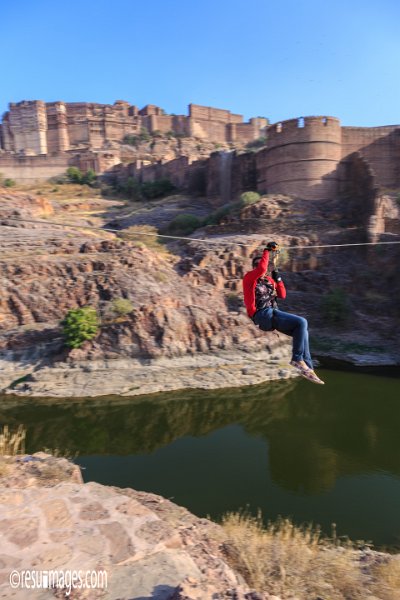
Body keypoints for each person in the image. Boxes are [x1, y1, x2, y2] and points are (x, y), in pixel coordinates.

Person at [242, 241, 324, 385]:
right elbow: (261, 268)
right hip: (262, 315)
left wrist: (277, 276)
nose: (264, 268)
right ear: (254, 267)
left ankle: (308, 369)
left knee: (303, 331)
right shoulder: (249, 279)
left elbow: (282, 294)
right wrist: (267, 251)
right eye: (260, 266)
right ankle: (297, 359)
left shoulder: (268, 280)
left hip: (272, 314)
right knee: (302, 321)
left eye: (266, 267)